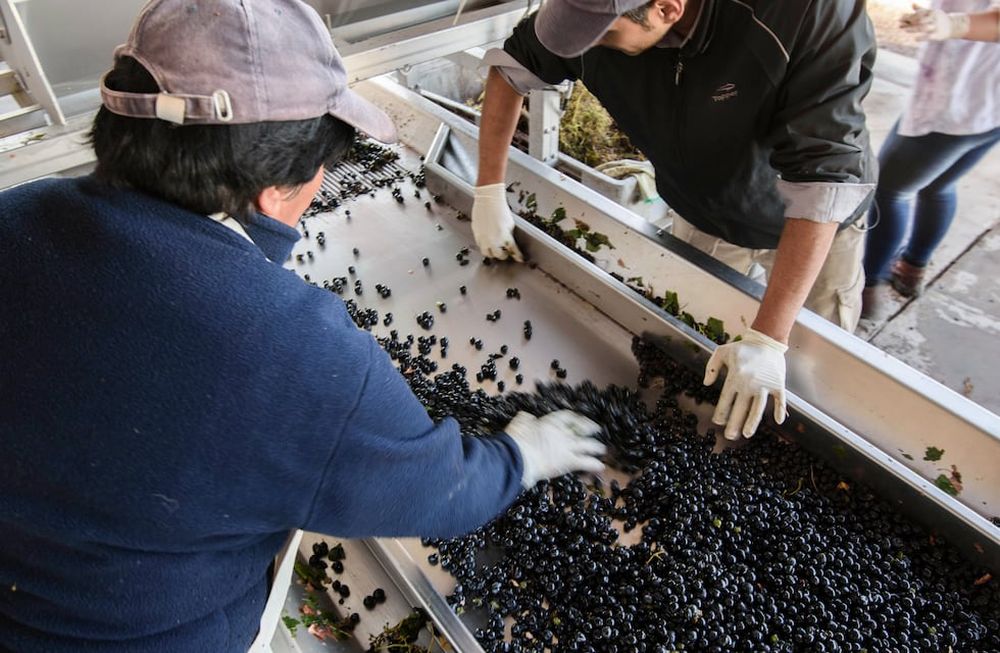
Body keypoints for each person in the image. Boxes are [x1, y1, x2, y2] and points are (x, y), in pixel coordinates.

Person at [0, 1, 607, 651]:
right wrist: (522, 454)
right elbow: (436, 491)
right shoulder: (292, 349)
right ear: (272, 190)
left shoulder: (18, 213)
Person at [471, 0, 877, 439]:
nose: (583, 47)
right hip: (704, 211)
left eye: (604, 34)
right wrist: (489, 189)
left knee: (814, 371)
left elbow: (824, 176)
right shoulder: (591, 18)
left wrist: (769, 338)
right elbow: (514, 67)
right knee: (699, 357)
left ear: (667, 9)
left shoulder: (808, 13)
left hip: (815, 227)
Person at [860, 0, 1000, 321]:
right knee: (938, 184)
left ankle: (866, 289)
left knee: (889, 190)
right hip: (983, 102)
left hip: (960, 99)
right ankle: (911, 269)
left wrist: (954, 25)